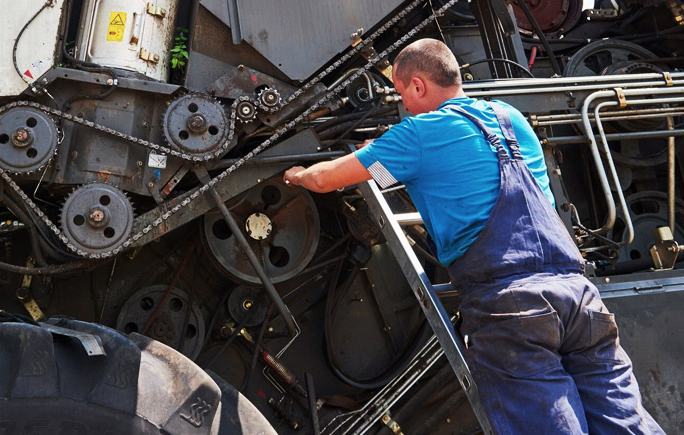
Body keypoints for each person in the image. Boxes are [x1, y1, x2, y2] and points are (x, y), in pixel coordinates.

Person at [283, 38, 663, 434]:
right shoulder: (510, 117)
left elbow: (325, 180)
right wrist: (385, 159)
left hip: (513, 307)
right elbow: (432, 170)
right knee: (625, 421)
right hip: (580, 300)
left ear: (417, 86)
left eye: (401, 94)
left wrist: (296, 174)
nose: (404, 106)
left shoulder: (419, 131)